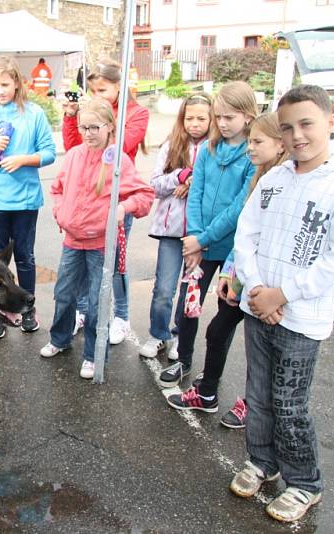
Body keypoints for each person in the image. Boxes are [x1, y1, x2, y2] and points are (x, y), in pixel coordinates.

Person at [229, 85, 334, 523]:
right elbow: (246, 234)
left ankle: (304, 482)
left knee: (289, 402)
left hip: (301, 318)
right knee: (258, 392)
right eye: (287, 127)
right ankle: (262, 461)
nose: (296, 136)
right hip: (259, 307)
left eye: (306, 124)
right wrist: (256, 290)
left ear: (331, 122)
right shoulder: (274, 178)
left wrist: (282, 295)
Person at [167, 113, 289, 422]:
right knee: (219, 328)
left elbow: (254, 227)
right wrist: (230, 274)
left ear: (279, 144)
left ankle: (252, 404)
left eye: (257, 141)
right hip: (243, 273)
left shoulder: (284, 180)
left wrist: (264, 287)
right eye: (250, 141)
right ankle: (208, 393)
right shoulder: (263, 176)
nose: (250, 148)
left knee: (257, 344)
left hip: (270, 284)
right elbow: (246, 232)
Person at [40, 97, 154, 378]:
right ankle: (60, 339)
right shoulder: (75, 155)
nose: (88, 134)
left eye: (94, 127)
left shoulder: (119, 161)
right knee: (64, 294)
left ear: (110, 127)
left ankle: (93, 355)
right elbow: (57, 188)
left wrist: (124, 207)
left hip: (101, 245)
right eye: (83, 127)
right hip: (71, 241)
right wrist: (60, 212)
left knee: (96, 302)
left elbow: (144, 195)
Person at [158, 81, 257, 388]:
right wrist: (196, 238)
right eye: (220, 116)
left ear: (249, 116)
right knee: (187, 306)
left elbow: (241, 206)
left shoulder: (252, 155)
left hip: (231, 251)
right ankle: (183, 358)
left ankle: (211, 378)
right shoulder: (209, 150)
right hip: (198, 245)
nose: (223, 123)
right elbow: (196, 194)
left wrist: (203, 238)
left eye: (230, 117)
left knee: (223, 320)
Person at [61, 59, 150, 345]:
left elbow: (117, 149)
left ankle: (121, 316)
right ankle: (85, 312)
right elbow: (74, 147)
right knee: (87, 267)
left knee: (114, 264)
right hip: (88, 195)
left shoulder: (135, 113)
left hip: (118, 192)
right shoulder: (91, 117)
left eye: (102, 90)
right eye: (93, 90)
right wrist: (73, 117)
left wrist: (101, 120)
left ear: (119, 86)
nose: (97, 95)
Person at [0, 55, 56, 337]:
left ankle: (28, 309)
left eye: (5, 84)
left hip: (24, 200)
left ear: (17, 83)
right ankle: (0, 313)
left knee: (25, 257)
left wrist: (23, 160)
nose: (0, 91)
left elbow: (49, 152)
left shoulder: (34, 114)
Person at [139, 93, 212, 360]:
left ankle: (182, 334)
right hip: (170, 230)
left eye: (201, 118)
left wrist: (193, 184)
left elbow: (215, 188)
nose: (194, 123)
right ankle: (158, 334)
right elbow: (155, 185)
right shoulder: (171, 145)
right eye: (189, 118)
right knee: (163, 289)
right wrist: (180, 177)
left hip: (200, 232)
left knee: (189, 289)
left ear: (211, 119)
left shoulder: (215, 147)